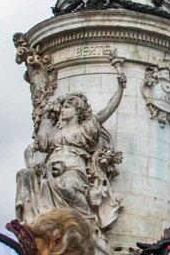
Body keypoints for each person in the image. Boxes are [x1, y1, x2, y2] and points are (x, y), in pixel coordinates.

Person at [15, 69, 126, 238]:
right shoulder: (54, 135)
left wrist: (120, 88)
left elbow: (107, 111)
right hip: (50, 169)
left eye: (67, 107)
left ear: (76, 111)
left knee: (65, 186)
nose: (62, 111)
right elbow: (31, 149)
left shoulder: (85, 130)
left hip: (74, 169)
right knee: (24, 175)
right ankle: (32, 225)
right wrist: (31, 164)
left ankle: (82, 220)